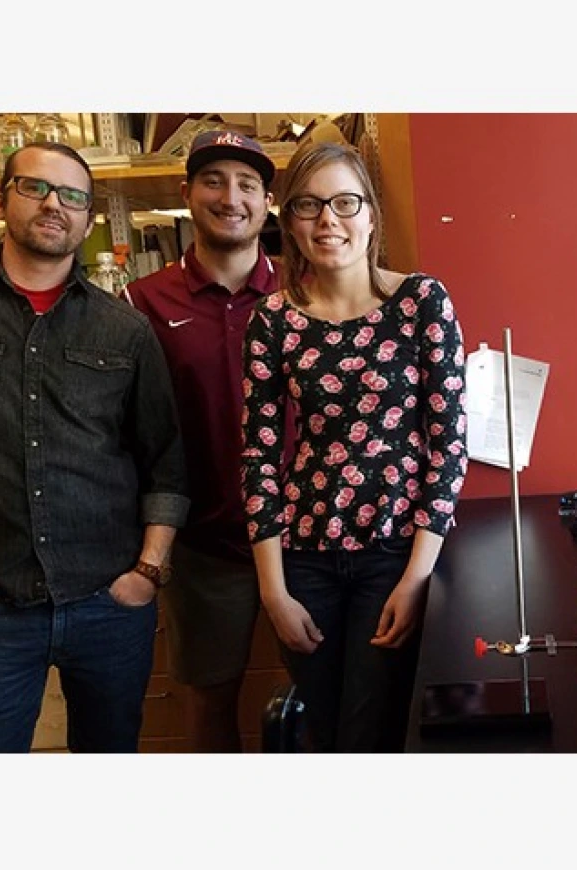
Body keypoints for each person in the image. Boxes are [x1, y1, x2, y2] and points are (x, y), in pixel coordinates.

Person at [0, 142, 189, 753]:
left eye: (73, 196)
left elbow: (165, 462)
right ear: (0, 199)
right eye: (36, 187)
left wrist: (147, 570)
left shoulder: (124, 328)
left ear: (88, 220)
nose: (54, 204)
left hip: (109, 602)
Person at [241, 141, 468, 752]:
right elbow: (259, 457)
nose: (327, 221)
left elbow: (448, 448)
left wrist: (417, 576)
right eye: (308, 206)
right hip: (304, 558)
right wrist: (273, 591)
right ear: (287, 222)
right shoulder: (272, 320)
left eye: (345, 202)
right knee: (330, 728)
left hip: (391, 556)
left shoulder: (422, 303)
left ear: (371, 214)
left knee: (373, 732)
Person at [125, 130, 286, 752]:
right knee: (209, 701)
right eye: (214, 180)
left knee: (325, 690)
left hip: (301, 537)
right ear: (186, 192)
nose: (231, 197)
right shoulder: (143, 301)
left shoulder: (302, 293)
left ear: (266, 201)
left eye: (247, 184)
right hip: (202, 546)